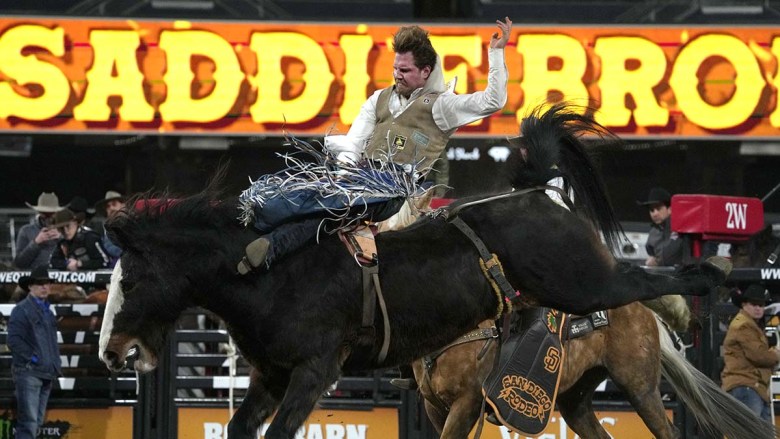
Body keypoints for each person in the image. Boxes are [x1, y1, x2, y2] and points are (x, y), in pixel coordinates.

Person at [238, 17, 512, 274]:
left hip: (398, 194)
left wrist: (496, 53)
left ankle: (269, 234)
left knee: (330, 208)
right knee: (324, 205)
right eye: (395, 68)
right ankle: (268, 234)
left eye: (404, 70)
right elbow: (353, 146)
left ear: (425, 71)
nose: (397, 75)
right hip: (360, 182)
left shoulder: (442, 106)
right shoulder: (378, 99)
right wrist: (343, 184)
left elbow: (492, 101)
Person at [7, 266, 62, 439]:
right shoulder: (22, 310)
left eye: (47, 283)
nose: (45, 287)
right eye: (40, 284)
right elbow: (13, 341)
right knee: (29, 423)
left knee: (33, 423)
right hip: (31, 372)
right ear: (30, 286)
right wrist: (34, 359)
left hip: (42, 372)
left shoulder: (46, 310)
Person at [721, 284, 780, 422]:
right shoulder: (744, 325)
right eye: (754, 304)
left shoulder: (747, 324)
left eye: (761, 304)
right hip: (747, 386)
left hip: (753, 387)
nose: (758, 308)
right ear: (744, 304)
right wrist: (776, 354)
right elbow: (760, 356)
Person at [14, 192, 63, 270]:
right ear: (39, 212)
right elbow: (20, 263)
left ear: (56, 213)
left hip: (59, 279)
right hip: (34, 279)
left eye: (51, 213)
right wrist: (36, 242)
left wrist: (62, 239)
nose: (48, 217)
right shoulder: (26, 231)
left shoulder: (65, 231)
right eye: (45, 213)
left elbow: (73, 260)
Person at [637, 187, 683, 267]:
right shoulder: (654, 231)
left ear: (670, 209)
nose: (655, 214)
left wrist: (656, 261)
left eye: (658, 209)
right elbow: (651, 253)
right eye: (652, 210)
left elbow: (670, 257)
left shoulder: (679, 228)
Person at [94, 190, 127, 268]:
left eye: (114, 204)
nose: (111, 208)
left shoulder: (135, 224)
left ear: (123, 205)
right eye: (108, 206)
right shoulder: (104, 230)